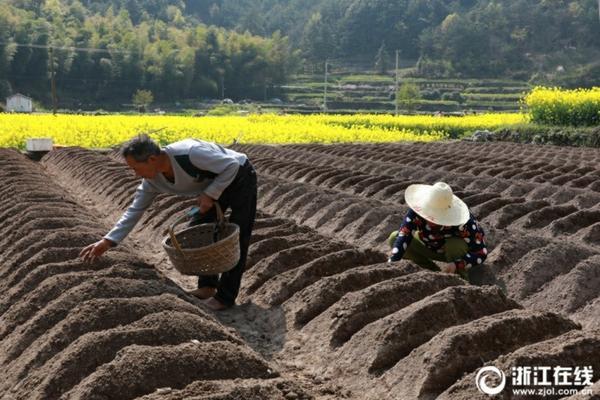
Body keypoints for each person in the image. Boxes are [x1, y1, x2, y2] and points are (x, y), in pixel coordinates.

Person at [79, 134, 257, 310]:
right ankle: (208, 286)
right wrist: (108, 241)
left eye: (136, 168)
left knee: (239, 234)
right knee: (200, 230)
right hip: (213, 185)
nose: (135, 174)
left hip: (240, 176)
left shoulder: (190, 154)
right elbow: (134, 210)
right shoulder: (151, 182)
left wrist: (211, 193)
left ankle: (225, 298)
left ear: (152, 159)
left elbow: (232, 165)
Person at [387, 182, 487, 281]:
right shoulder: (417, 210)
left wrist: (457, 264)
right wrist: (391, 264)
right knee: (394, 238)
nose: (431, 220)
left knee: (454, 244)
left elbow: (481, 252)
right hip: (428, 244)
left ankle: (459, 280)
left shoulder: (465, 222)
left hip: (456, 253)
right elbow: (404, 234)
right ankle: (431, 272)